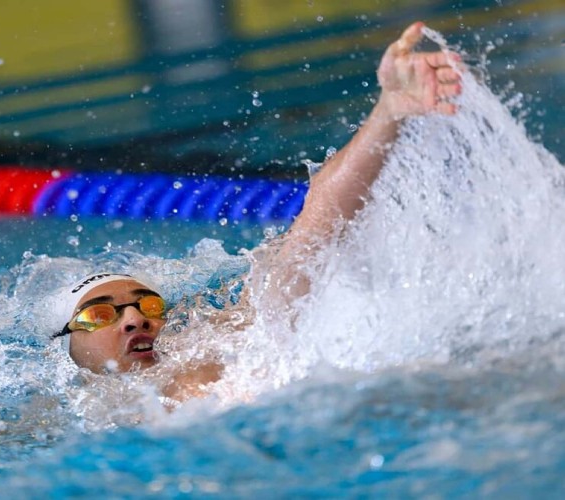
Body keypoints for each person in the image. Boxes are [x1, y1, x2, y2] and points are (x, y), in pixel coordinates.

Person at [50, 22, 463, 400]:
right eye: (100, 313)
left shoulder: (225, 337)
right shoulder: (67, 416)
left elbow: (314, 232)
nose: (137, 319)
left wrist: (389, 111)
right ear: (63, 346)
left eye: (151, 306)